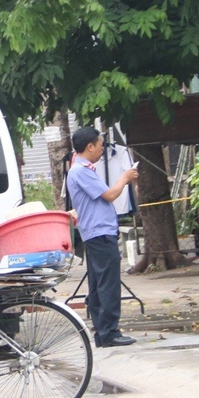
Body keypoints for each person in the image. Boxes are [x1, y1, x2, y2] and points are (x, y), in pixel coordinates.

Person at [66, 126, 139, 348]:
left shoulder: (82, 169)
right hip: (99, 232)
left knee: (99, 283)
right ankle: (109, 331)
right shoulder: (81, 171)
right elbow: (110, 195)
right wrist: (125, 178)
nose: (101, 150)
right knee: (108, 283)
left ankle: (102, 330)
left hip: (96, 232)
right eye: (99, 145)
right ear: (89, 146)